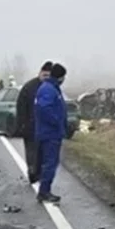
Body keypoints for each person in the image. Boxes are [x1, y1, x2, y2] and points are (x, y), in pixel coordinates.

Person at [34, 62, 68, 203]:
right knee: (50, 163)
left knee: (49, 162)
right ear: (60, 77)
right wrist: (56, 121)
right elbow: (44, 109)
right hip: (50, 133)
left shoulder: (51, 88)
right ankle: (44, 191)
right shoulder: (49, 89)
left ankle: (45, 190)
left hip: (50, 132)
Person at [16, 61, 53, 183]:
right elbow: (21, 107)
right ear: (40, 73)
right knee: (31, 151)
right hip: (31, 126)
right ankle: (32, 172)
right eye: (45, 75)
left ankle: (39, 173)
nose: (46, 78)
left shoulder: (52, 88)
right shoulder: (29, 87)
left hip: (45, 127)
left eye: (49, 76)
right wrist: (21, 124)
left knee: (43, 152)